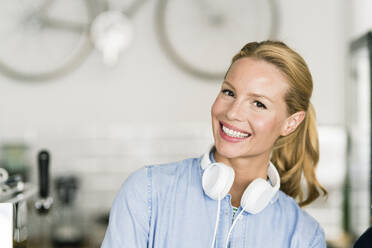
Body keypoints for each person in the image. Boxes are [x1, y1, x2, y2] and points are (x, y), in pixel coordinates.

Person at [101, 40, 328, 248]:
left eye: (258, 104)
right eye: (229, 92)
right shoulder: (147, 192)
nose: (232, 112)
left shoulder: (303, 236)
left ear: (291, 123)